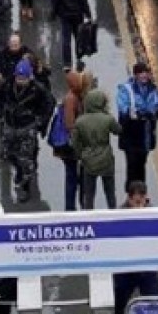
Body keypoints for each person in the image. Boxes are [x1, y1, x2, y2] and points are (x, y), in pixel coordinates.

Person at [0, 59, 55, 201]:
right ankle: (20, 171)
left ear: (30, 77)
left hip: (27, 127)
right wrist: (1, 114)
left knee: (26, 159)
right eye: (18, 78)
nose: (20, 81)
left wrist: (40, 121)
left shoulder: (38, 90)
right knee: (8, 154)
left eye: (24, 79)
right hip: (10, 125)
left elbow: (49, 104)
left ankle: (25, 186)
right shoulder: (7, 85)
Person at [112, 181, 158, 314]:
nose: (139, 207)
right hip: (126, 270)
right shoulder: (119, 216)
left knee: (154, 310)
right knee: (118, 306)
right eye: (136, 203)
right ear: (129, 199)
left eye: (142, 202)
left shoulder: (153, 214)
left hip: (147, 270)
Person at [116, 62, 158, 191]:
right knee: (132, 165)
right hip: (131, 134)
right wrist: (138, 114)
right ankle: (132, 193)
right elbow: (123, 109)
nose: (144, 75)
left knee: (142, 164)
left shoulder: (153, 89)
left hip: (146, 134)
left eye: (146, 73)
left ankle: (141, 193)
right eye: (141, 73)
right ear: (135, 75)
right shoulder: (126, 89)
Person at [72, 88, 121, 209]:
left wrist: (81, 155)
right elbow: (118, 130)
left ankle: (89, 214)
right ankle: (113, 212)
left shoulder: (80, 121)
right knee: (110, 192)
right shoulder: (107, 119)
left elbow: (75, 143)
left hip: (88, 160)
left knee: (89, 194)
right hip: (106, 158)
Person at [54, 64, 93, 211]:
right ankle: (73, 206)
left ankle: (77, 204)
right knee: (74, 176)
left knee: (76, 175)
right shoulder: (72, 99)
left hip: (75, 144)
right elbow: (70, 124)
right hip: (72, 145)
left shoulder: (76, 96)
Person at [50, 0, 91, 68]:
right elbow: (83, 0)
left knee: (66, 39)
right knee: (78, 37)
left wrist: (53, 14)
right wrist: (88, 14)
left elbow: (55, 1)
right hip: (77, 15)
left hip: (65, 16)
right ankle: (79, 57)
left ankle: (67, 63)